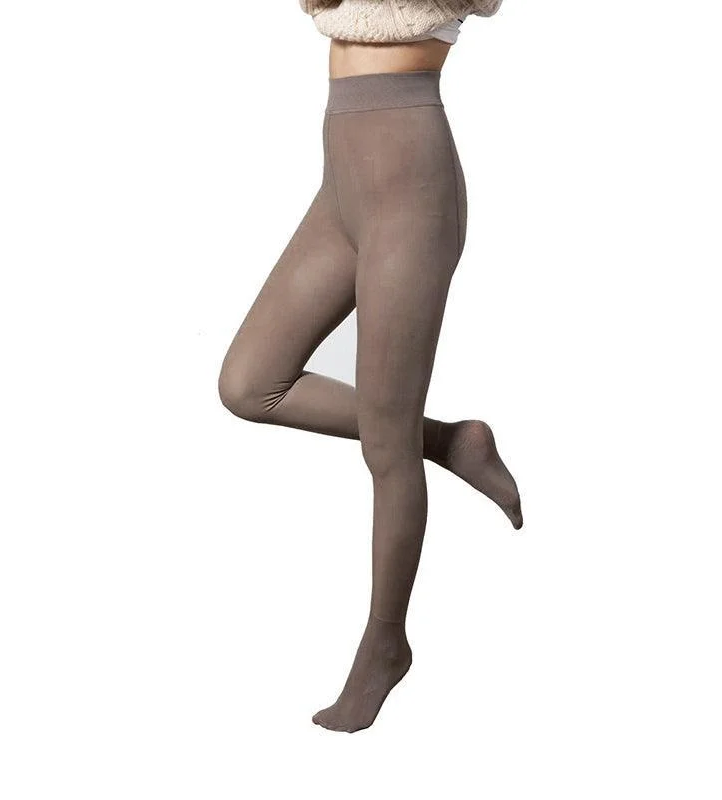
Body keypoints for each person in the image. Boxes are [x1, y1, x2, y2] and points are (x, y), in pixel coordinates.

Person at [218, 0, 522, 733]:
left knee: (386, 449)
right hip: (343, 178)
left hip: (411, 184)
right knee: (249, 383)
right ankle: (449, 440)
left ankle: (385, 643)